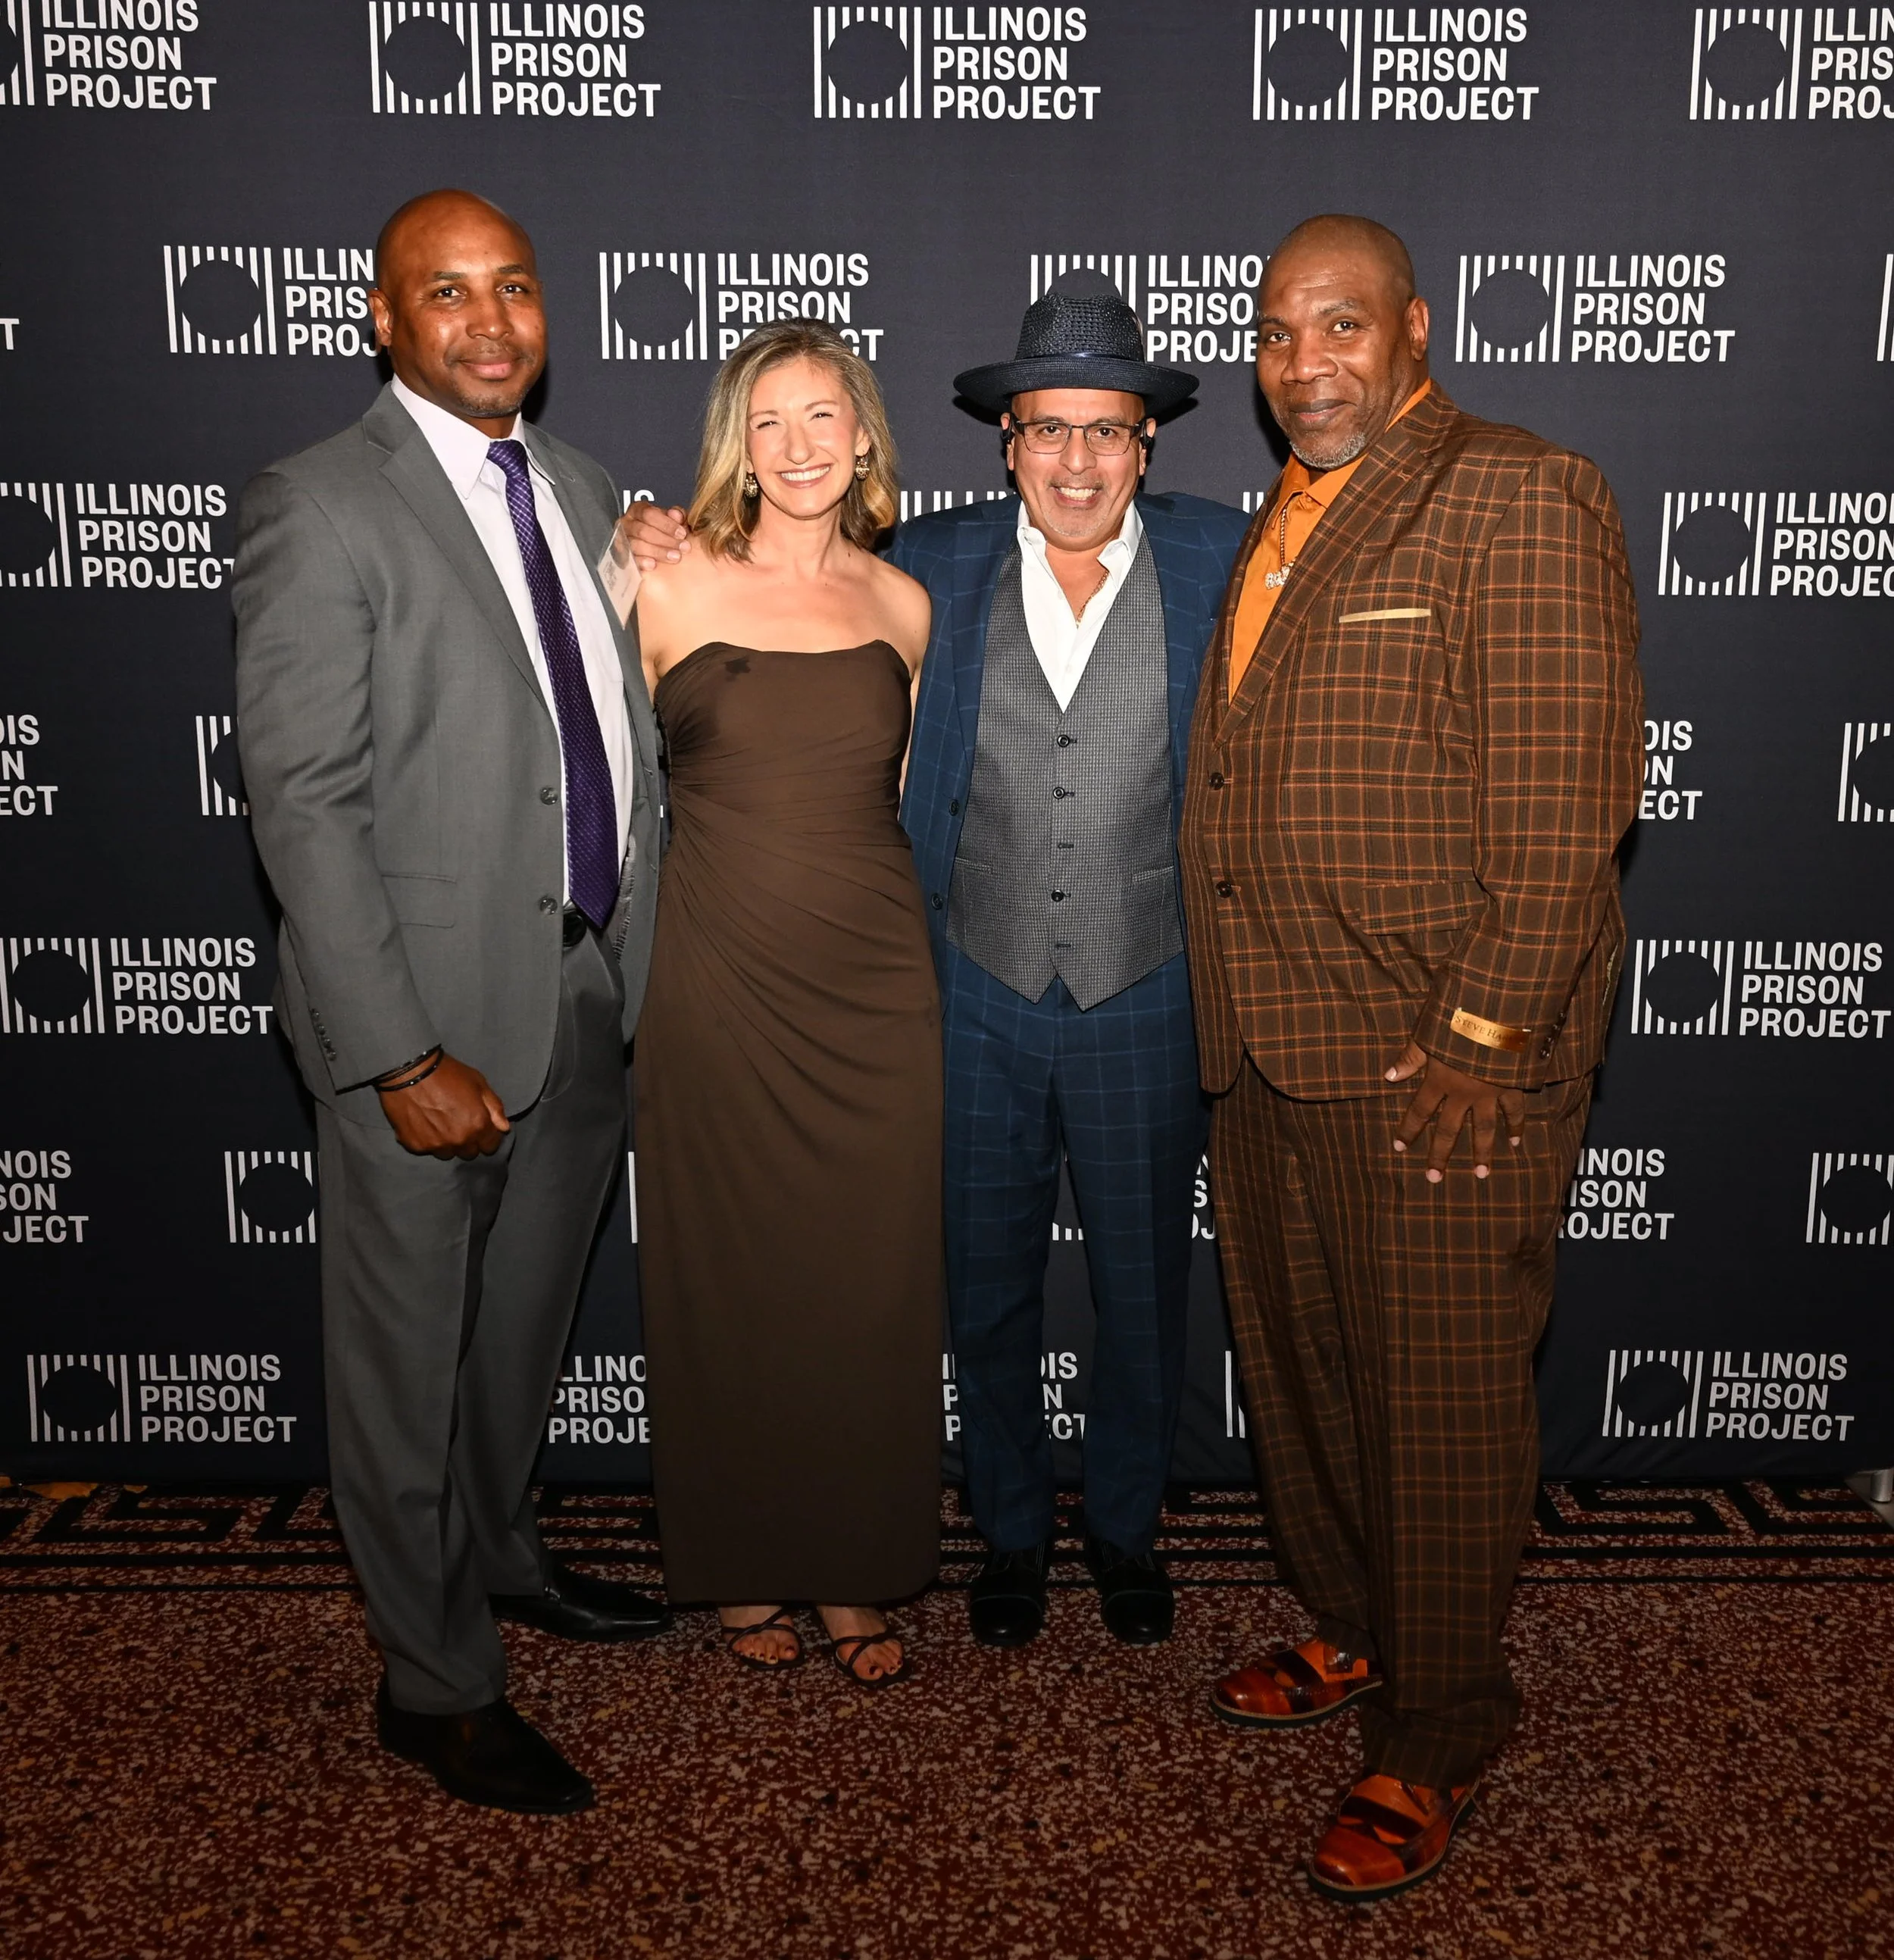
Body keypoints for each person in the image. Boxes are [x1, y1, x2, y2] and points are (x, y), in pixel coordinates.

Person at [625, 274, 1247, 1649]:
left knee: (1147, 1290)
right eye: (1047, 430)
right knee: (981, 1291)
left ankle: (1129, 1532)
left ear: (1147, 444)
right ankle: (1013, 1534)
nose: (1076, 460)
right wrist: (641, 528)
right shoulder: (937, 573)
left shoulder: (1225, 560)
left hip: (1148, 984)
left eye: (1106, 431)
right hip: (965, 988)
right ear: (1006, 443)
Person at [1180, 215, 1642, 1901]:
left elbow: (1568, 808)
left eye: (1339, 326)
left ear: (1412, 330)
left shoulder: (1515, 491)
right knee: (1306, 1382)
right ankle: (1354, 1633)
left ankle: (1438, 1729)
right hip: (1275, 1049)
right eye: (1276, 334)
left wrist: (1482, 1034)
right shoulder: (1279, 522)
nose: (1305, 362)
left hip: (1435, 1069)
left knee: (1439, 1409)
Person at [233, 189, 667, 1816]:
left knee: (515, 1344)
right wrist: (397, 1051)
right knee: (407, 1366)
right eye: (445, 295)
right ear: (382, 318)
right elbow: (305, 806)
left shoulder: (575, 484)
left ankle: (499, 1556)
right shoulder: (318, 505)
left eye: (514, 290)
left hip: (576, 994)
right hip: (421, 1021)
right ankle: (433, 1680)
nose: (489, 323)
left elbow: (596, 730)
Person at [632, 321, 939, 1685]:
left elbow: (897, 801)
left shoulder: (902, 606)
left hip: (874, 984)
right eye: (769, 422)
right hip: (715, 974)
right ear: (733, 445)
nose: (801, 445)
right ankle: (744, 1555)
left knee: (863, 1289)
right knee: (729, 1276)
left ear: (865, 435)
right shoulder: (663, 577)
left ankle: (855, 1562)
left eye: (825, 416)